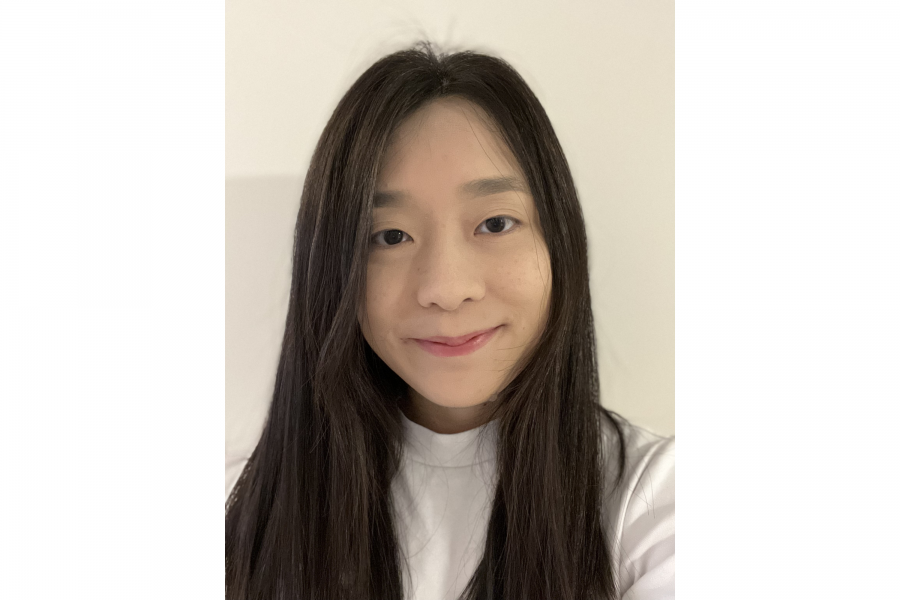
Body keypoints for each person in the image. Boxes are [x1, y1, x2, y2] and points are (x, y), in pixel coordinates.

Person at [225, 41, 674, 600]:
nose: (445, 289)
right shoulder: (244, 511)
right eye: (391, 236)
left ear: (559, 240)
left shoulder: (652, 498)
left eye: (495, 223)